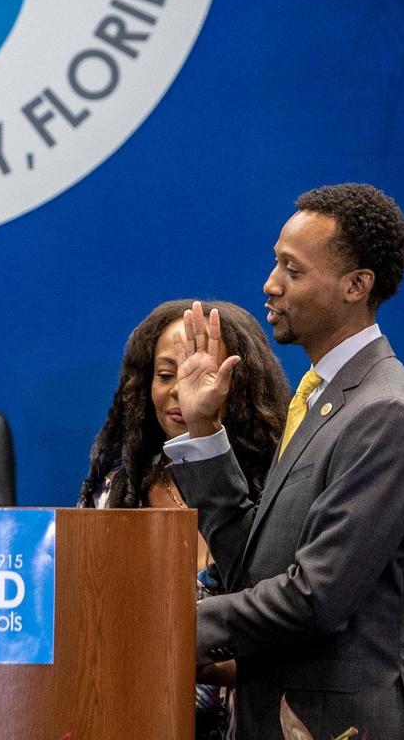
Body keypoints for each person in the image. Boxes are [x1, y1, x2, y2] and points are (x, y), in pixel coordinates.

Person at [168, 184, 404, 740]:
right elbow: (256, 569)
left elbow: (315, 598)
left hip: (342, 725)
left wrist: (174, 626)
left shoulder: (384, 411)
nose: (270, 285)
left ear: (355, 286)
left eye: (292, 270)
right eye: (276, 263)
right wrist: (203, 431)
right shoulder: (324, 396)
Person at [80, 298, 290, 740]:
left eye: (202, 373)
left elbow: (291, 634)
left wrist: (181, 654)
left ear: (242, 384)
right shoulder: (117, 494)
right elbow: (86, 629)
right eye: (165, 374)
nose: (180, 391)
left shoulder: (279, 491)